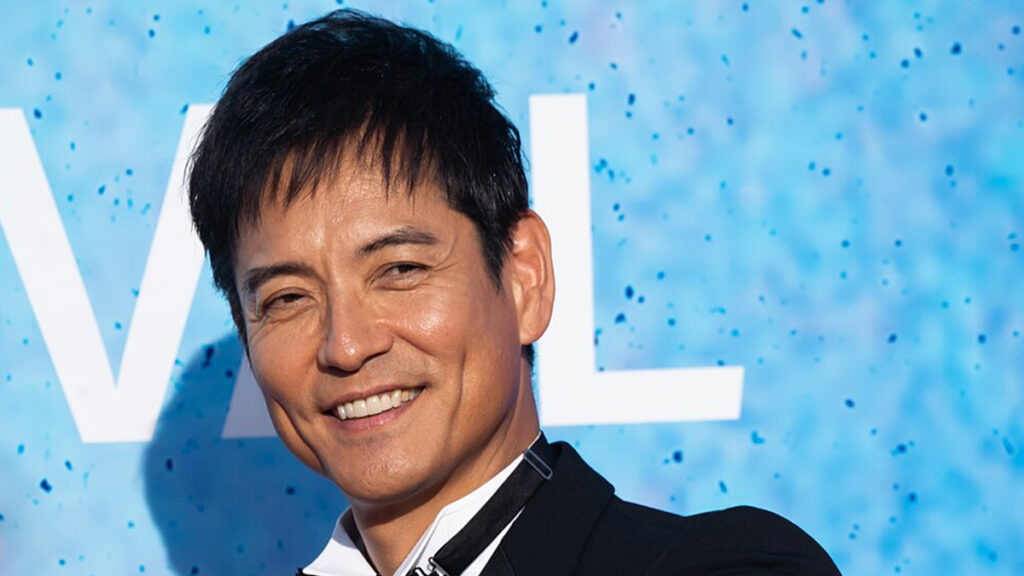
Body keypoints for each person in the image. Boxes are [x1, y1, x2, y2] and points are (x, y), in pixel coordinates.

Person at [187, 9, 841, 576]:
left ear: (524, 277)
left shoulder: (717, 564)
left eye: (400, 270)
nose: (347, 345)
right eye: (287, 299)